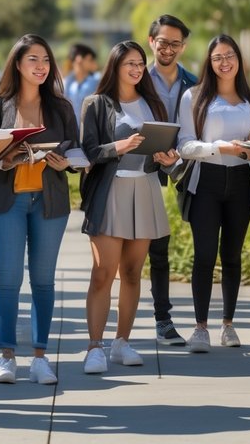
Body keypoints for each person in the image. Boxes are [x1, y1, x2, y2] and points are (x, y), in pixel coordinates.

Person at [0, 34, 79, 387]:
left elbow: (77, 156)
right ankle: (6, 356)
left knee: (43, 281)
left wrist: (64, 161)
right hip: (8, 201)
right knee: (8, 281)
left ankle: (40, 357)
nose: (41, 66)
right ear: (18, 64)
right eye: (33, 60)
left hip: (49, 201)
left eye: (46, 60)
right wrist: (5, 161)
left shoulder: (62, 108)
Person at [79, 41, 179, 375]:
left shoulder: (154, 104)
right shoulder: (96, 103)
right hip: (111, 191)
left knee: (134, 273)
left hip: (145, 189)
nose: (136, 69)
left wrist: (167, 160)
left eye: (139, 63)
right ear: (115, 67)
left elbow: (164, 157)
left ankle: (122, 341)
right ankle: (95, 347)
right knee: (103, 273)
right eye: (129, 64)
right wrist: (117, 147)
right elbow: (88, 152)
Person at [176, 34, 250, 353]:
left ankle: (228, 324)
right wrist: (219, 148)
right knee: (203, 255)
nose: (225, 62)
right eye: (218, 58)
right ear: (210, 63)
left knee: (232, 256)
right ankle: (200, 327)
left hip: (242, 182)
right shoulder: (194, 97)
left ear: (239, 59)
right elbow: (185, 145)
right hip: (206, 182)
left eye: (230, 56)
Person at [145, 14, 197, 346]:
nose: (168, 49)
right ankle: (156, 321)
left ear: (183, 47)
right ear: (152, 42)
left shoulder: (194, 83)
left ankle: (170, 320)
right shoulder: (135, 77)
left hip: (181, 170)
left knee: (169, 247)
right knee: (146, 249)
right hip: (142, 169)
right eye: (162, 42)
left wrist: (181, 153)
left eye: (175, 43)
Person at [64, 43, 100, 122]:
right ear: (79, 59)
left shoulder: (97, 81)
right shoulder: (66, 83)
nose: (94, 63)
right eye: (90, 59)